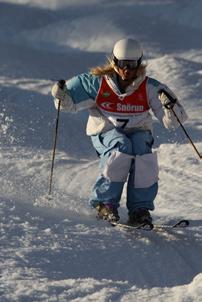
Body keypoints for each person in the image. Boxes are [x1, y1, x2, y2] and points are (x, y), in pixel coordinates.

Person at [51, 38, 188, 225]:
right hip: (105, 131)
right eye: (122, 64)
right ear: (114, 62)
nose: (127, 70)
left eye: (131, 65)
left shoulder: (151, 88)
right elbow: (67, 103)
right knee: (121, 146)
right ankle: (105, 203)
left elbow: (173, 122)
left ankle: (140, 208)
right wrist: (60, 95)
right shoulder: (96, 83)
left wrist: (170, 107)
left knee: (142, 152)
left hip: (139, 130)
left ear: (139, 63)